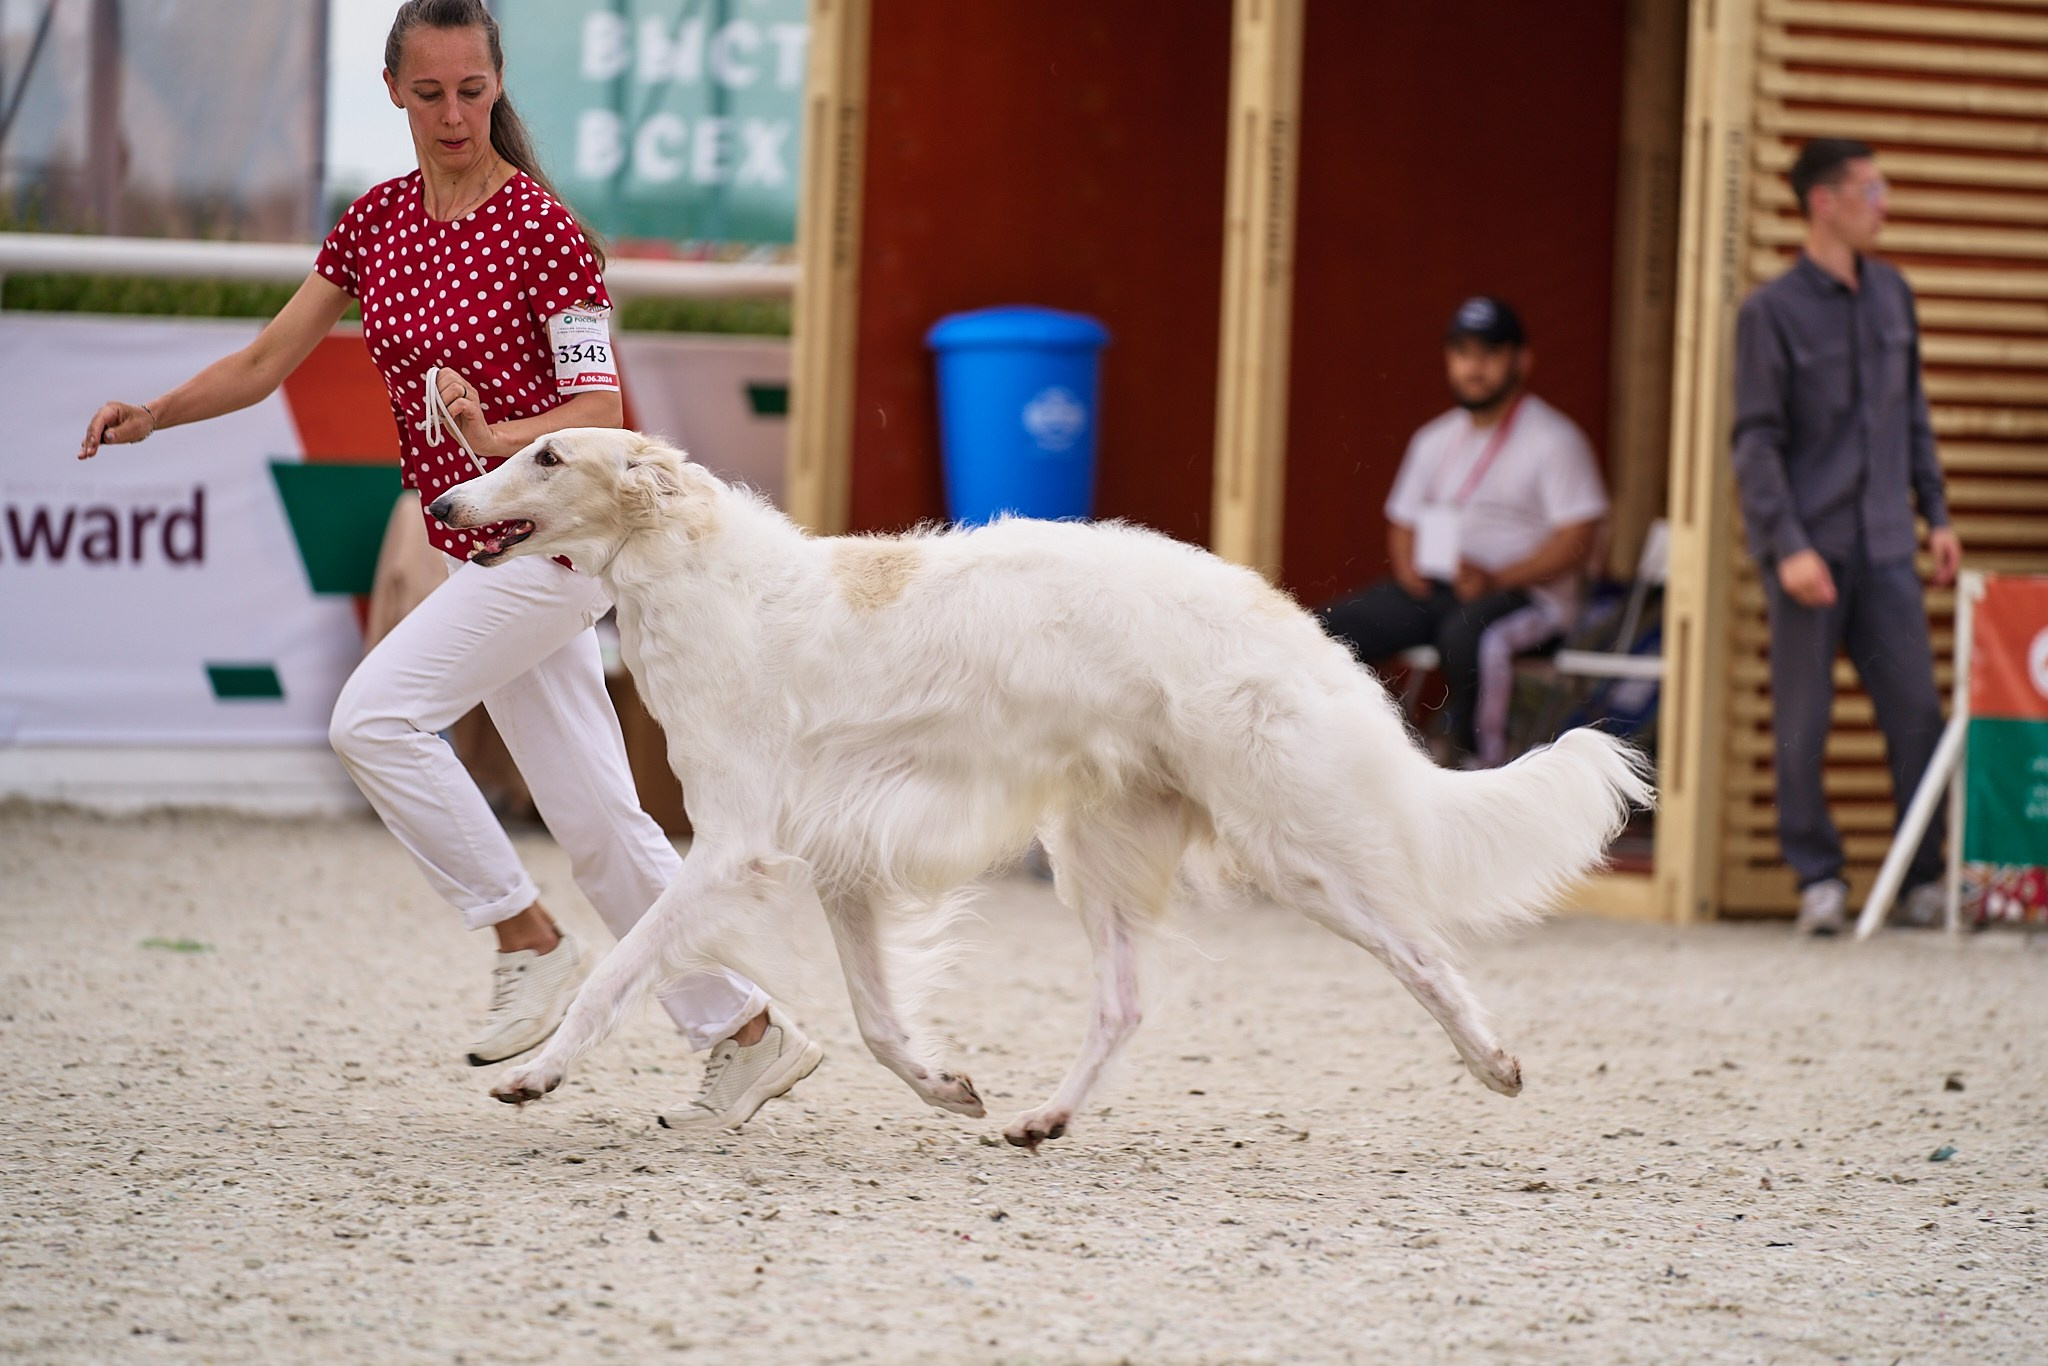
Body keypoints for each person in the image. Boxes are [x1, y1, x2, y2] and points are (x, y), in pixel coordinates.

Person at [75, 0, 820, 1128]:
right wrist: (154, 414)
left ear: (497, 84)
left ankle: (525, 935)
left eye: (472, 90)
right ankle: (746, 1034)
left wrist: (492, 436)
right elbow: (268, 360)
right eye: (430, 93)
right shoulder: (374, 222)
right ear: (394, 93)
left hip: (554, 549)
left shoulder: (544, 230)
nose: (454, 114)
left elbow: (599, 411)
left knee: (371, 719)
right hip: (479, 550)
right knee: (602, 828)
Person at [1731, 138, 1961, 937]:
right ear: (1823, 202)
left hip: (1889, 544)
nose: (1883, 205)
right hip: (1811, 550)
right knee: (1804, 721)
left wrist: (1938, 514)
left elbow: (1913, 415)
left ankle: (1921, 879)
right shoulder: (1770, 313)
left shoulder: (1893, 295)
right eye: (1872, 190)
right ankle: (1818, 880)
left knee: (1917, 714)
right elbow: (1754, 442)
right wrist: (1787, 545)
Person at [1318, 296, 1609, 767]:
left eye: (1489, 353)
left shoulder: (1555, 440)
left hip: (1528, 597)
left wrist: (1496, 578)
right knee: (1332, 626)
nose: (1474, 367)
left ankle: (1482, 770)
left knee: (1468, 636)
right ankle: (1368, 755)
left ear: (1521, 361)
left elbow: (1577, 540)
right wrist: (1409, 568)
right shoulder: (1433, 438)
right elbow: (1403, 522)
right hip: (1442, 589)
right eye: (1463, 352)